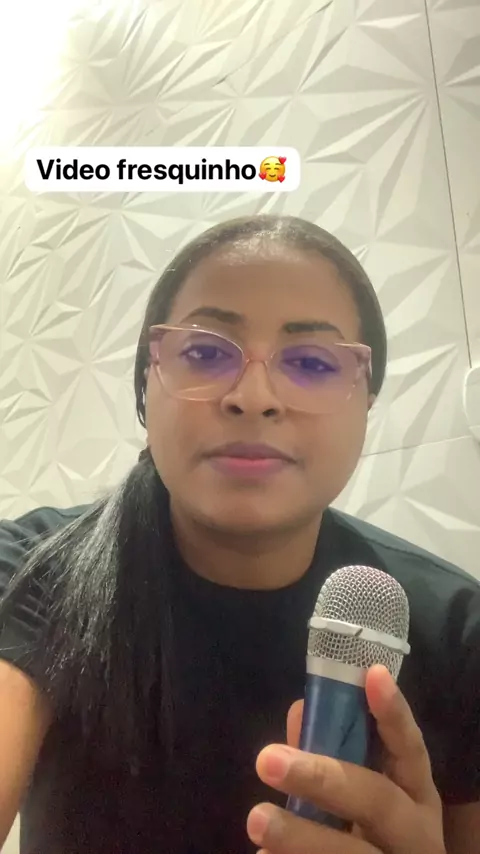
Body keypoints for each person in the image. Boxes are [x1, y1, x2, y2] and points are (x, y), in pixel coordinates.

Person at [0, 214, 478, 854]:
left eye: (312, 362)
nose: (254, 398)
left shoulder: (458, 633)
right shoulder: (30, 570)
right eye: (204, 353)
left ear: (367, 405)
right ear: (146, 385)